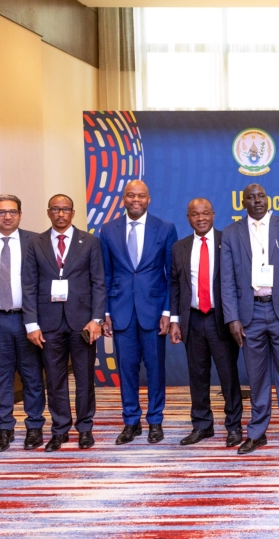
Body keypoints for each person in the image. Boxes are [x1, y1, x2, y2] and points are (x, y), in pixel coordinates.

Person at [220, 183, 279, 456]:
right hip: (250, 314)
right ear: (242, 202)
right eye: (251, 198)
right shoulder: (232, 233)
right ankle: (257, 432)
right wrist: (232, 317)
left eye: (261, 196)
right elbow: (227, 280)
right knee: (256, 379)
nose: (257, 201)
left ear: (268, 200)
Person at [23, 194, 106, 452]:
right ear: (49, 212)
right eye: (56, 209)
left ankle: (84, 429)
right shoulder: (35, 243)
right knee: (55, 380)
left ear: (73, 212)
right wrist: (31, 324)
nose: (61, 213)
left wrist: (96, 320)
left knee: (84, 378)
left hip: (82, 323)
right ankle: (59, 430)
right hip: (48, 323)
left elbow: (99, 282)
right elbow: (29, 285)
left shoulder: (90, 241)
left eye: (66, 209)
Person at [99, 180, 178, 445]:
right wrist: (106, 312)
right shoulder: (108, 230)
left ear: (149, 199)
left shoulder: (165, 228)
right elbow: (106, 274)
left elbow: (172, 275)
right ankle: (131, 421)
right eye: (130, 195)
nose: (135, 199)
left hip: (154, 311)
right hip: (120, 311)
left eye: (141, 196)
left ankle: (155, 421)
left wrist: (168, 310)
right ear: (123, 198)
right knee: (127, 369)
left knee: (155, 369)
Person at [169, 198, 244, 448]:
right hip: (192, 319)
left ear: (213, 214)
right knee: (197, 376)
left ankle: (234, 426)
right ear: (188, 218)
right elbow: (175, 286)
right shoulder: (179, 247)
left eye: (205, 213)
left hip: (220, 319)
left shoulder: (228, 241)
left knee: (228, 377)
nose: (200, 218)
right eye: (194, 214)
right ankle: (202, 425)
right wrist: (175, 321)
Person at [0, 195, 46, 452]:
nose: (7, 216)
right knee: (0, 378)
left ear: (20, 214)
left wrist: (38, 322)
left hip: (28, 321)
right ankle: (4, 429)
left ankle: (35, 427)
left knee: (32, 377)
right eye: (1, 212)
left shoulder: (36, 241)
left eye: (13, 212)